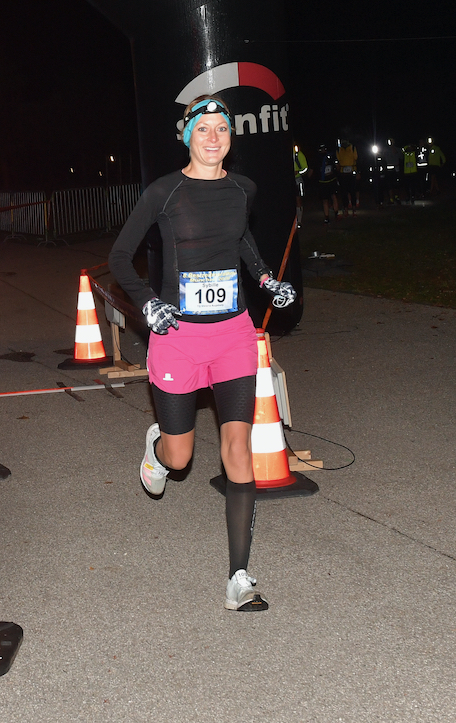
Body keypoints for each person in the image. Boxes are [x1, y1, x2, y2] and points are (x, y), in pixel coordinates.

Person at [108, 95, 297, 613]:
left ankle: (238, 576)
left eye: (222, 129)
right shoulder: (164, 193)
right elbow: (119, 256)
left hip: (233, 334)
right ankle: (157, 448)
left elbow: (242, 242)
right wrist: (148, 306)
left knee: (239, 449)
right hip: (179, 338)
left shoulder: (243, 189)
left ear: (231, 137)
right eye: (203, 129)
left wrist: (265, 280)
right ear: (185, 135)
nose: (213, 138)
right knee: (181, 456)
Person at [316, 144, 339, 222]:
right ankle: (327, 217)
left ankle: (336, 214)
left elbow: (337, 165)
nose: (323, 151)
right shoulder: (318, 159)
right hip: (322, 182)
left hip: (332, 180)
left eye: (324, 149)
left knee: (334, 196)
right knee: (325, 200)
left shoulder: (331, 156)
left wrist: (336, 172)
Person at [336, 140, 359, 216]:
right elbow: (338, 160)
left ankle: (354, 209)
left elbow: (356, 158)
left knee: (353, 191)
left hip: (351, 172)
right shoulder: (339, 149)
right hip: (343, 173)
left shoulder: (352, 148)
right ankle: (346, 209)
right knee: (344, 192)